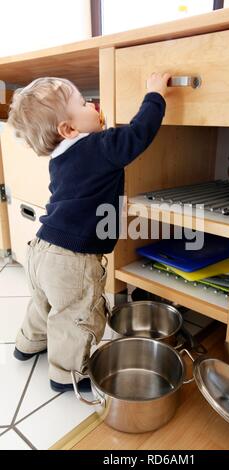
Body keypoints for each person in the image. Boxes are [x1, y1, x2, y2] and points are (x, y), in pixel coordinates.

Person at [7, 72, 170, 392]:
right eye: (83, 103)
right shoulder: (99, 146)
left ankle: (27, 343)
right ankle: (67, 374)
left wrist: (94, 122)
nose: (94, 104)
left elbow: (99, 153)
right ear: (68, 129)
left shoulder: (61, 156)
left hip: (42, 249)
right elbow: (137, 135)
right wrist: (155, 95)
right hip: (73, 260)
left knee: (44, 303)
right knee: (77, 315)